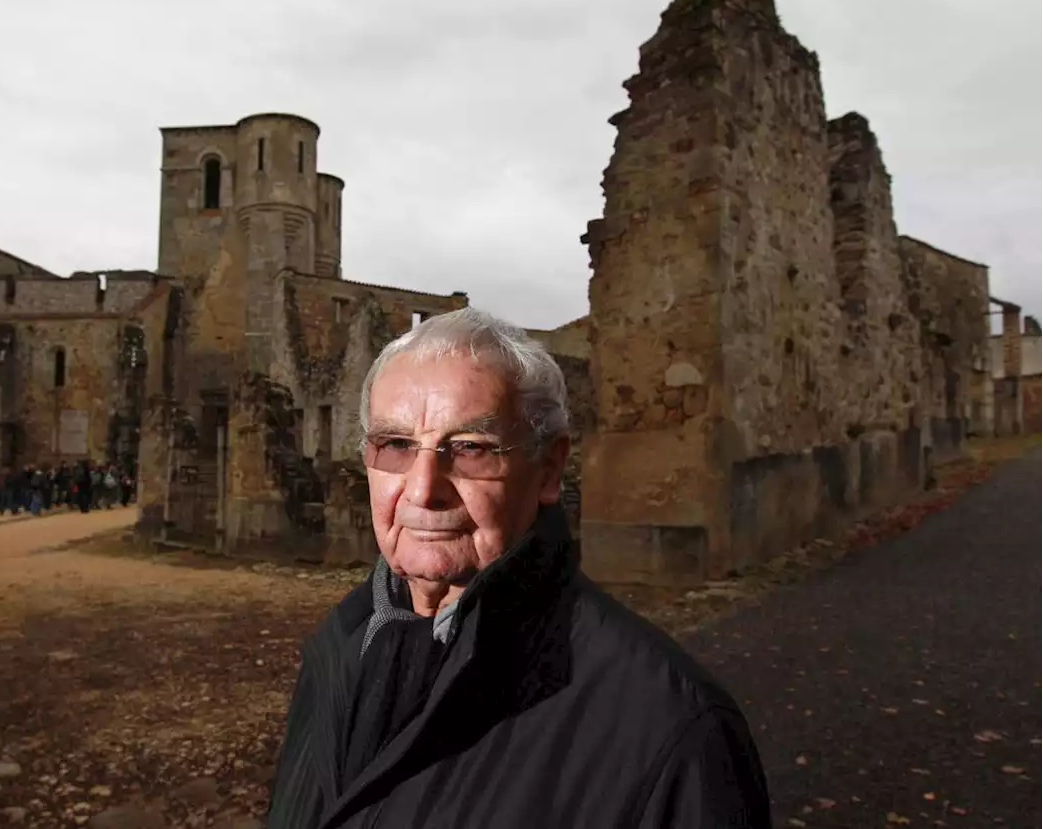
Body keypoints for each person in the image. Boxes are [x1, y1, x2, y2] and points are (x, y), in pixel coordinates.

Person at [266, 308, 771, 828]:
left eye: (469, 449)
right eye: (395, 445)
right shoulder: (340, 646)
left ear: (549, 469)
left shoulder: (672, 731)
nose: (421, 489)